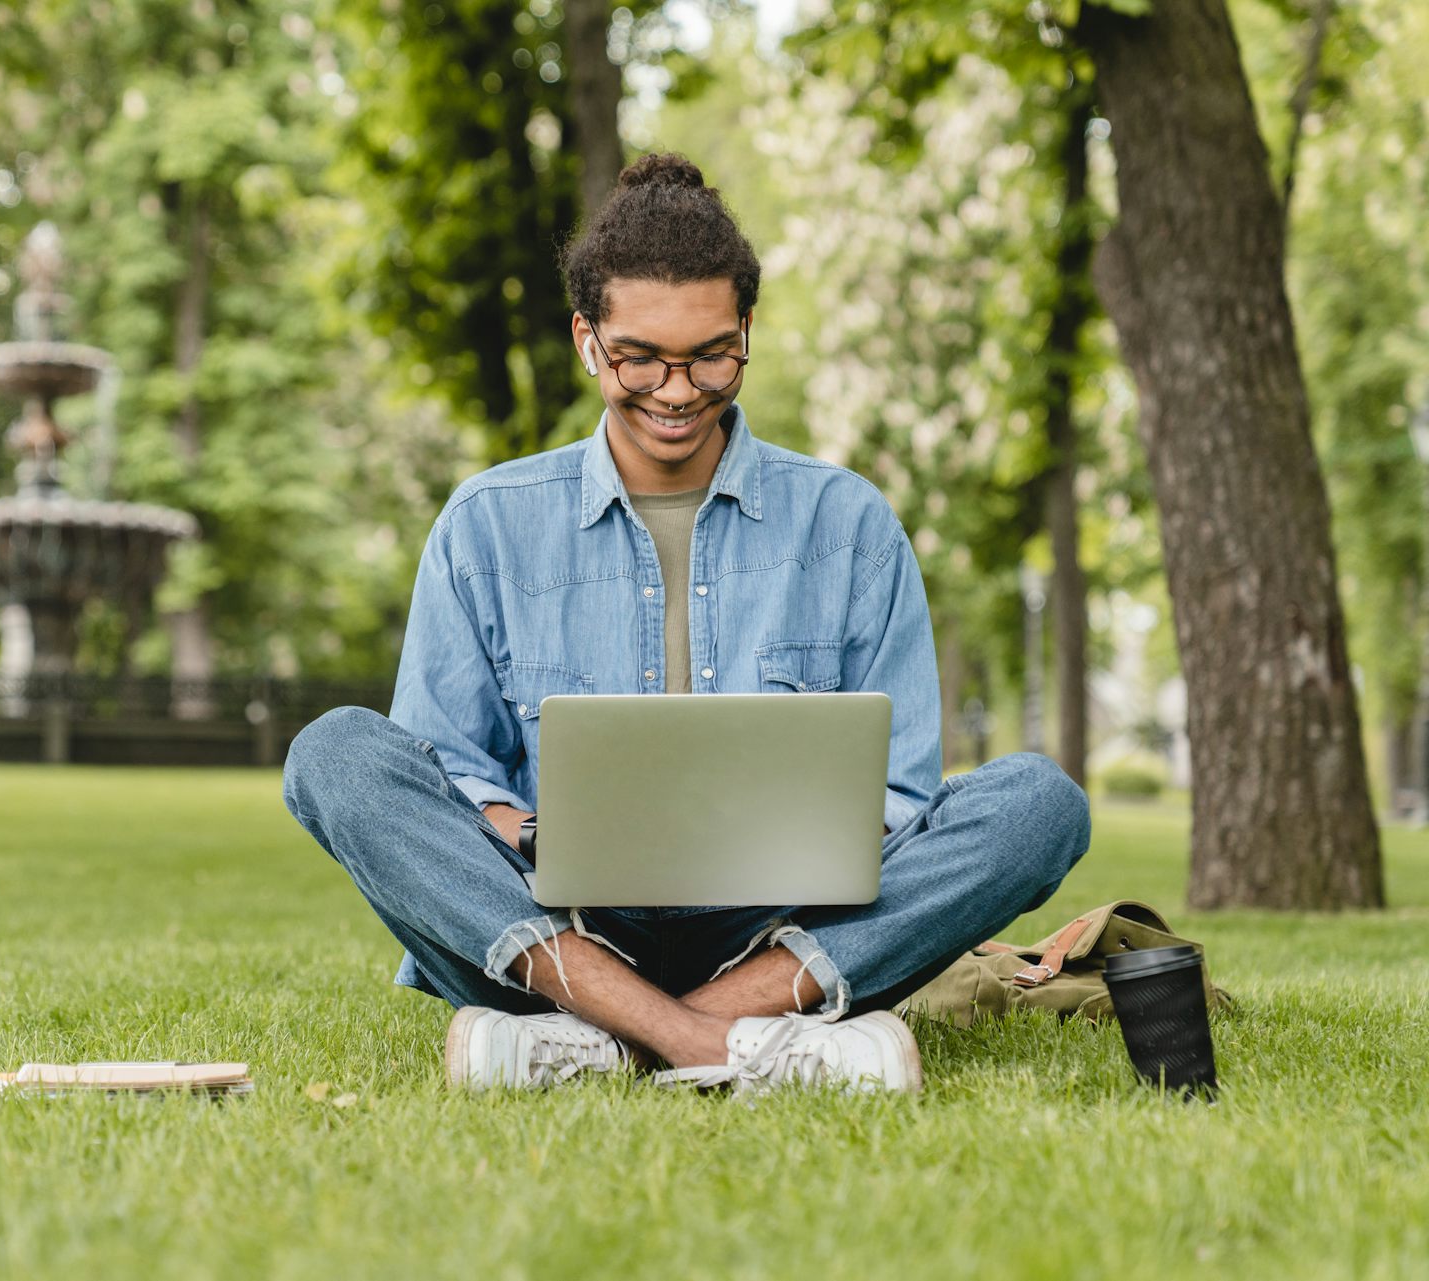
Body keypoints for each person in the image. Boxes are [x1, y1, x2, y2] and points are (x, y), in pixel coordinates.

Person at [283, 153, 1090, 1095]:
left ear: (746, 329)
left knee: (1040, 803)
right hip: (561, 928)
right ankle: (735, 1042)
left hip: (786, 932)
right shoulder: (486, 523)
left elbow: (899, 798)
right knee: (335, 754)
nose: (677, 389)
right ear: (587, 340)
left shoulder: (850, 525)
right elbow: (451, 772)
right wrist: (535, 832)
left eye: (712, 353)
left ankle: (604, 1039)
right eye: (640, 357)